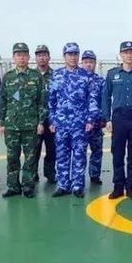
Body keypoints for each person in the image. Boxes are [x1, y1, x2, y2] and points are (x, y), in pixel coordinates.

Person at [102, 41, 132, 200]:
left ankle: (131, 187)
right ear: (121, 54)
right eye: (126, 52)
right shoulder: (112, 74)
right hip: (119, 118)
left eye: (131, 52)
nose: (129, 55)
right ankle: (118, 187)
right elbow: (105, 98)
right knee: (117, 153)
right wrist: (107, 119)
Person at [49, 43, 100, 198]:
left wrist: (91, 119)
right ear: (64, 56)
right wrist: (52, 120)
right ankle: (63, 185)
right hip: (61, 124)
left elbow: (92, 99)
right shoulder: (57, 75)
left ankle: (77, 185)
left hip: (80, 124)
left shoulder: (86, 76)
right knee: (61, 155)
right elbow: (51, 100)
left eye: (75, 54)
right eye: (69, 54)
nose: (73, 57)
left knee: (79, 155)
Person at [0, 43, 46, 198]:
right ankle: (13, 186)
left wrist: (40, 122)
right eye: (18, 55)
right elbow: (3, 101)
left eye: (24, 55)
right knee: (12, 157)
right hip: (11, 125)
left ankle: (28, 186)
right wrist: (1, 123)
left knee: (30, 158)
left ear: (28, 57)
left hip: (31, 125)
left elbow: (41, 101)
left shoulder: (36, 76)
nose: (22, 58)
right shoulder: (8, 77)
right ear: (14, 57)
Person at [81, 50, 105, 185]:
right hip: (81, 123)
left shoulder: (100, 81)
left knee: (97, 150)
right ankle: (79, 175)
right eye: (86, 62)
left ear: (95, 63)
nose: (88, 65)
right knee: (80, 151)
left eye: (91, 62)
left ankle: (95, 175)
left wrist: (103, 118)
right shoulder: (77, 79)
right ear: (82, 63)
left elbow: (104, 101)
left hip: (96, 124)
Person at [34, 45, 57, 184]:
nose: (42, 57)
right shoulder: (31, 75)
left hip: (51, 119)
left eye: (44, 55)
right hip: (34, 118)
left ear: (49, 57)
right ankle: (33, 173)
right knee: (34, 149)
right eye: (39, 55)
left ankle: (50, 173)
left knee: (51, 148)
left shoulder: (55, 76)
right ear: (35, 58)